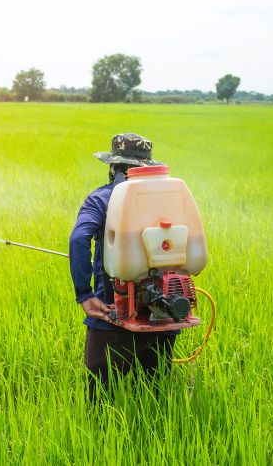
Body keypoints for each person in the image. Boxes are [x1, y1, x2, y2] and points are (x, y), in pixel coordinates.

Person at [68, 133, 178, 401]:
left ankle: (101, 442)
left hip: (112, 313)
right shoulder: (170, 198)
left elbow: (79, 238)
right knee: (153, 398)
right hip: (163, 312)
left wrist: (85, 294)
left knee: (101, 402)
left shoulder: (102, 198)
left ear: (114, 167)